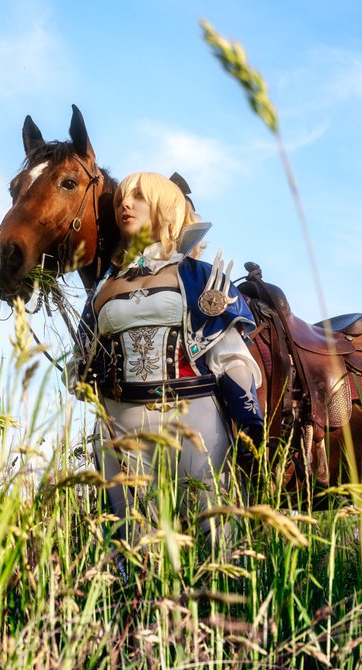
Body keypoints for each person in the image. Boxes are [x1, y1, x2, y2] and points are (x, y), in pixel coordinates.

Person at [70, 171, 264, 545]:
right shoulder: (103, 290)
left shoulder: (197, 277)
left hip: (195, 416)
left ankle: (223, 602)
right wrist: (87, 374)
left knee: (215, 530)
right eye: (121, 199)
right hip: (120, 423)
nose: (125, 204)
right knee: (133, 537)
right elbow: (83, 363)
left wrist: (247, 419)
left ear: (165, 206)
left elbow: (231, 357)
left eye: (139, 196)